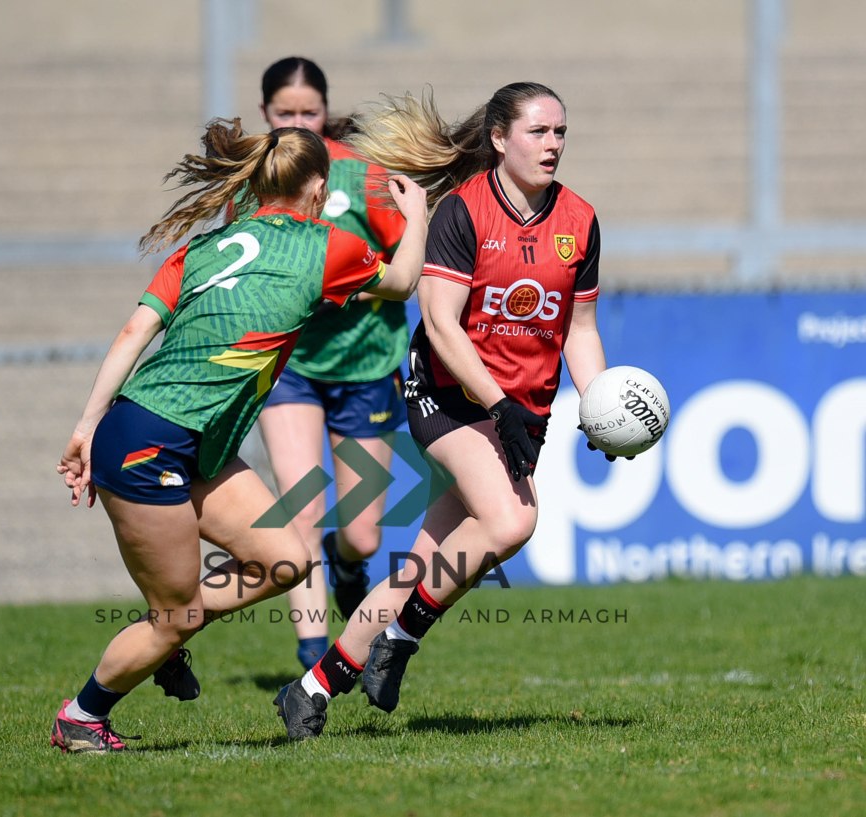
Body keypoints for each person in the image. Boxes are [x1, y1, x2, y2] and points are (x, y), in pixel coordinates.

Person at [49, 118, 427, 753]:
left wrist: (86, 424)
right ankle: (82, 716)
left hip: (164, 435)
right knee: (174, 618)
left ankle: (166, 635)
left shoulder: (203, 249)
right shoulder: (325, 246)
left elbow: (133, 333)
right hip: (150, 447)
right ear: (319, 187)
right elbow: (403, 282)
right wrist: (414, 218)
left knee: (286, 561)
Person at [273, 82, 614, 739]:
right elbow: (440, 323)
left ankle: (311, 690)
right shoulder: (463, 211)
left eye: (560, 132)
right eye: (538, 132)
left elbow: (580, 329)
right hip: (449, 394)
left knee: (425, 564)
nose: (552, 144)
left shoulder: (580, 219)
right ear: (499, 139)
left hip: (521, 409)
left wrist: (597, 404)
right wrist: (499, 404)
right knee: (512, 520)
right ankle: (400, 639)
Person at [257, 56, 413, 672]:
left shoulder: (360, 175)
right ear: (264, 113)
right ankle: (312, 656)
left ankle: (346, 563)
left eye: (310, 112)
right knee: (300, 509)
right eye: (285, 113)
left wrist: (345, 288)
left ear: (326, 111)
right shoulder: (253, 179)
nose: (298, 124)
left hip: (368, 364)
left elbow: (407, 265)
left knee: (363, 535)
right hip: (288, 363)